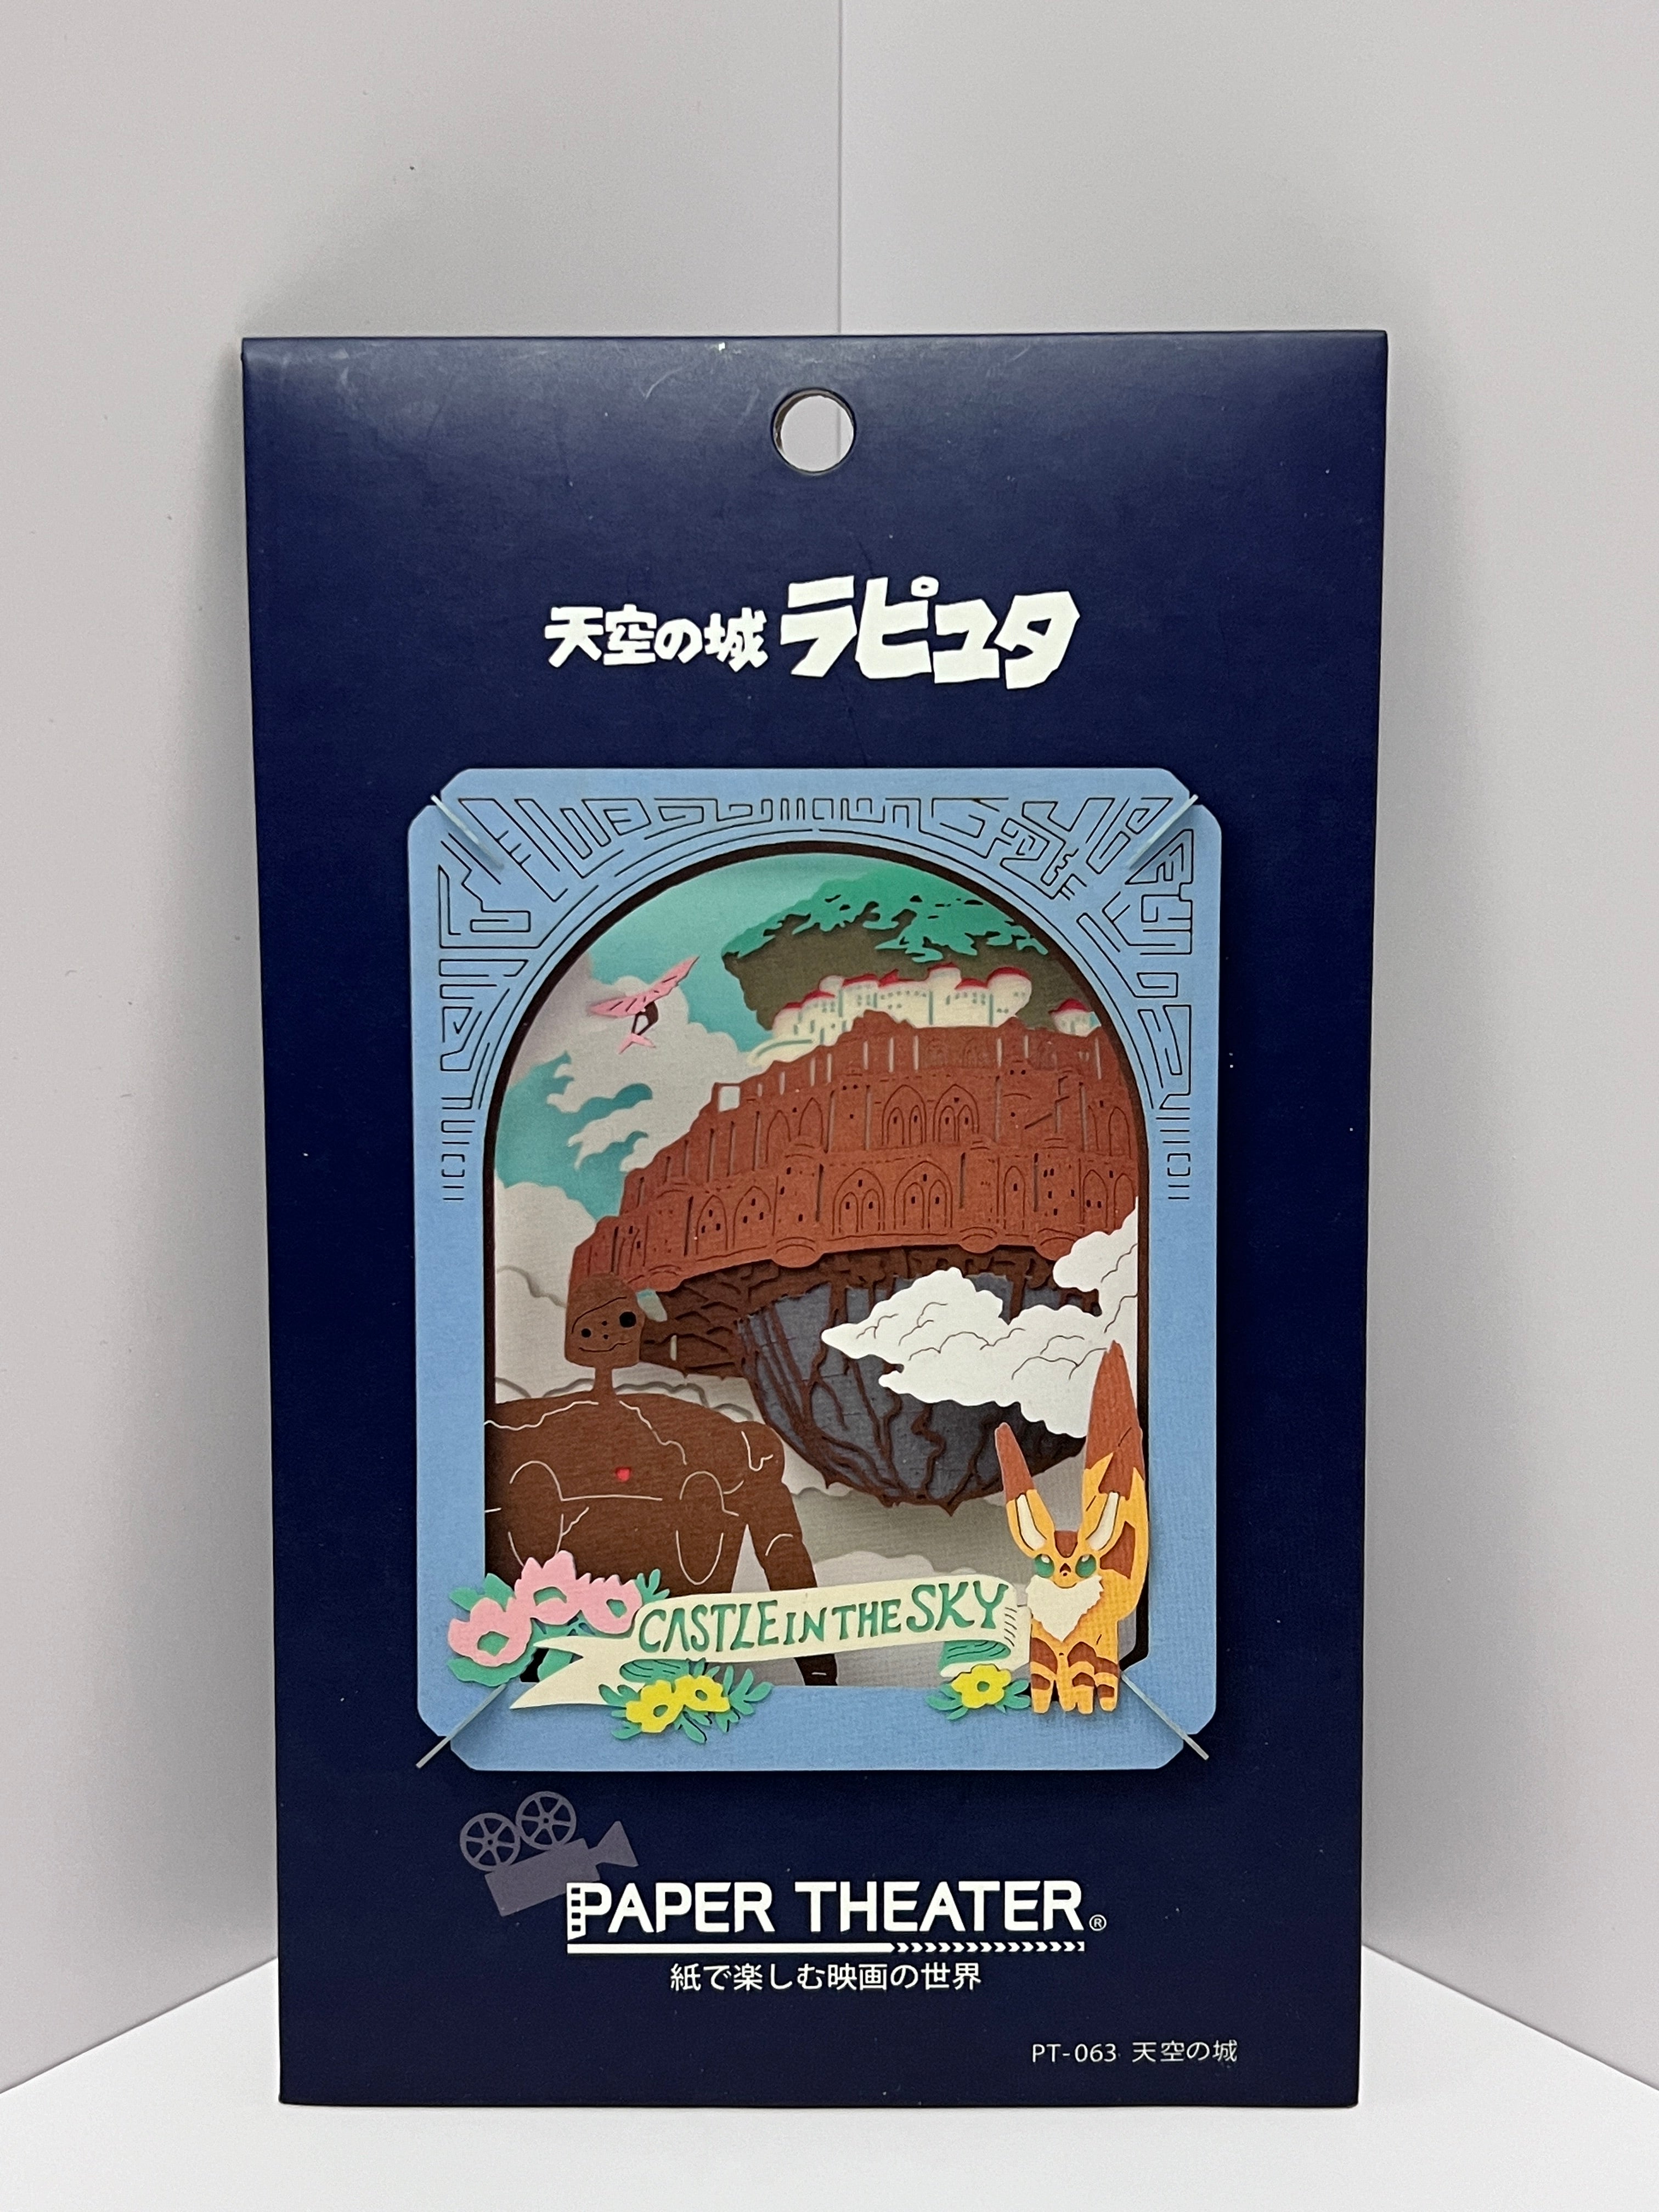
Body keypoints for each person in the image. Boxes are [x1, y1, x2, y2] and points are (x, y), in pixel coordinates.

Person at [486, 1273, 836, 1683]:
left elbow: (781, 1549)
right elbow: (781, 1548)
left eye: (621, 1322)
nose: (606, 1335)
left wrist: (820, 1674)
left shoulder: (719, 1442)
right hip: (541, 1670)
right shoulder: (506, 1436)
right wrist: (820, 1677)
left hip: (672, 1675)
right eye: (593, 1326)